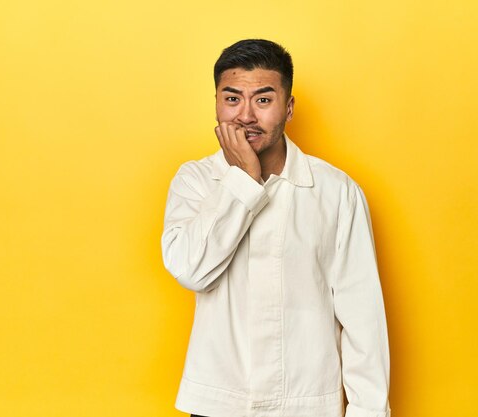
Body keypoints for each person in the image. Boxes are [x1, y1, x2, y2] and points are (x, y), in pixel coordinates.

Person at [161, 39, 391, 417]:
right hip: (219, 403)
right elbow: (191, 271)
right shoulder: (196, 181)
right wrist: (243, 181)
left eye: (263, 100)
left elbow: (363, 319)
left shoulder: (336, 191)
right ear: (216, 102)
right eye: (232, 99)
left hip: (308, 405)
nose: (246, 116)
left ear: (288, 107)